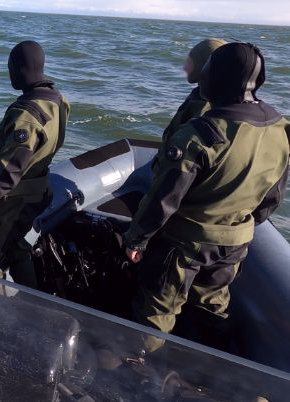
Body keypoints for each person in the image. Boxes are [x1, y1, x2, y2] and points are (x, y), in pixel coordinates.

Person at [124, 43, 290, 353]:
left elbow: (164, 199)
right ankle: (206, 373)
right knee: (212, 306)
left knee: (157, 311)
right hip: (235, 243)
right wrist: (237, 224)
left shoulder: (202, 135)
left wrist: (136, 240)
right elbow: (272, 196)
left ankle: (137, 367)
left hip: (184, 244)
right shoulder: (278, 128)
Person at [0, 41, 70, 288]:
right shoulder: (58, 101)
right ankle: (29, 301)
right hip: (39, 191)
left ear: (19, 69)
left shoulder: (26, 116)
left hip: (14, 199)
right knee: (18, 248)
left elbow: (9, 172)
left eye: (10, 67)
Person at [161, 38, 227, 143]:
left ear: (204, 66)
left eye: (190, 62)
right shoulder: (219, 96)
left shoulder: (203, 105)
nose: (185, 68)